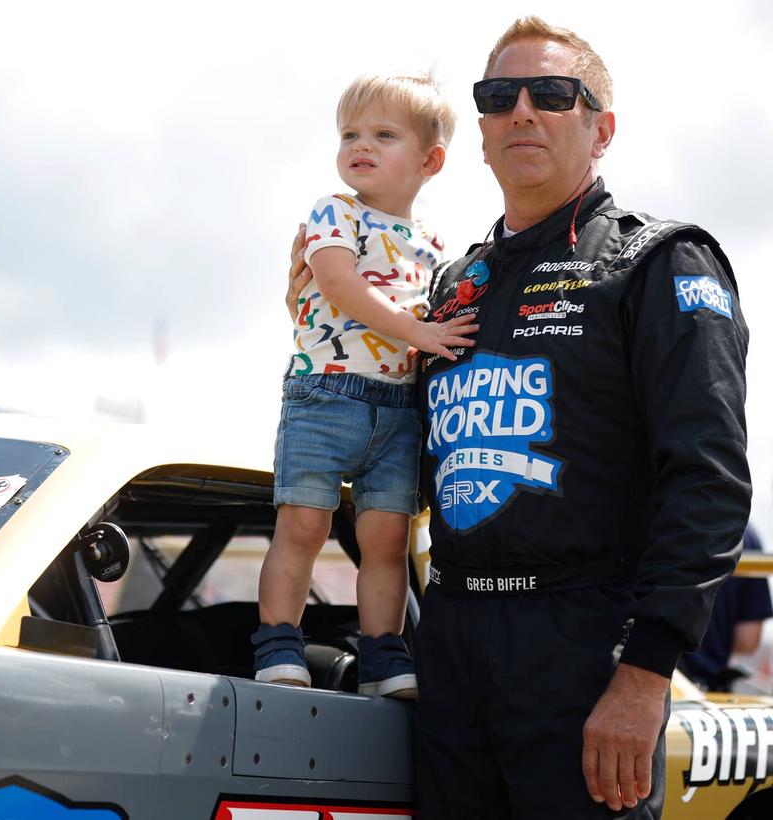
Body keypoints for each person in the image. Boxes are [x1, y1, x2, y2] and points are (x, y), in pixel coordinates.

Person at [285, 16, 749, 818]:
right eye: (500, 97)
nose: (523, 111)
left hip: (585, 645)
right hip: (452, 643)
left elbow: (707, 480)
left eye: (552, 95)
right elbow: (384, 442)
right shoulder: (449, 285)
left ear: (600, 129)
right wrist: (309, 302)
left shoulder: (657, 260)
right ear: (481, 131)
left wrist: (644, 675)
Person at [253, 74, 477, 698]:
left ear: (430, 161)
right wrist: (417, 330)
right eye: (351, 134)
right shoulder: (335, 211)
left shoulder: (433, 242)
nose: (362, 146)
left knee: (386, 540)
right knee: (303, 524)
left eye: (384, 135)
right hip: (326, 394)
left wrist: (428, 334)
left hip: (399, 407)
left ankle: (384, 656)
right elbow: (338, 288)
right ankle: (277, 644)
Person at [680, 526, 772, 692]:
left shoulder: (650, 519)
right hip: (705, 692)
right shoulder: (746, 535)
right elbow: (747, 640)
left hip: (640, 682)